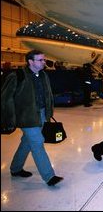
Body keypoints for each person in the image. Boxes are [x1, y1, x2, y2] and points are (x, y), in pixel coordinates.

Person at [1, 50, 63, 186]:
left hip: (40, 114)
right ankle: (49, 176)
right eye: (40, 60)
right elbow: (5, 99)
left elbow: (48, 95)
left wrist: (48, 112)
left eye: (44, 59)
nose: (44, 62)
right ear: (30, 61)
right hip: (26, 117)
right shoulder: (17, 76)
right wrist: (10, 118)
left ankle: (15, 169)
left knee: (27, 142)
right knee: (37, 142)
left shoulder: (43, 75)